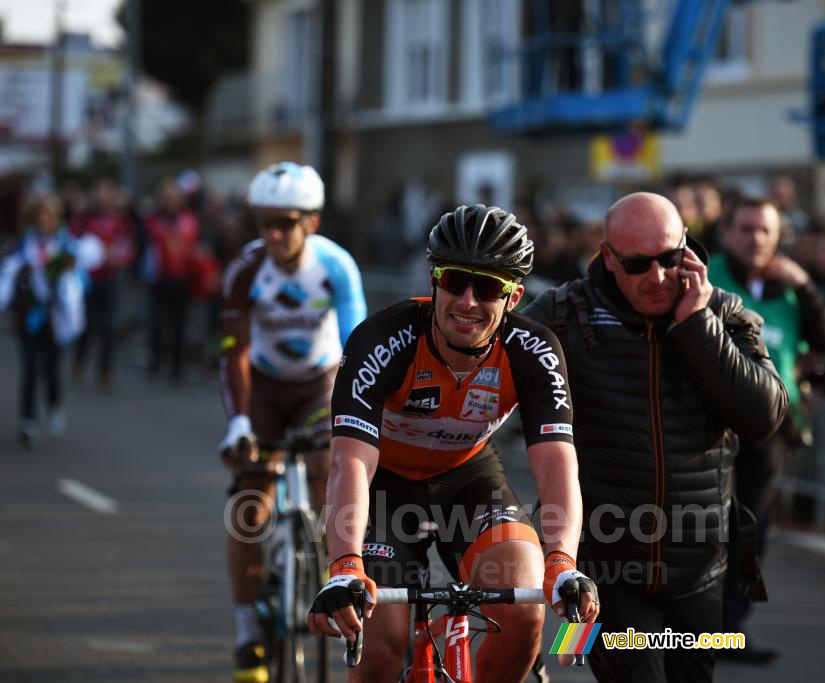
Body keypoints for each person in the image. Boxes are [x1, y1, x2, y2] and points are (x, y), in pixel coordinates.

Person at [307, 204, 599, 683]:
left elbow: (558, 466)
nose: (466, 300)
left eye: (487, 288)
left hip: (469, 479)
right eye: (453, 280)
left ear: (514, 297)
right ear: (434, 280)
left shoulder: (534, 349)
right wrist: (344, 566)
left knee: (526, 612)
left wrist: (563, 563)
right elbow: (349, 466)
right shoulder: (383, 339)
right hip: (384, 489)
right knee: (380, 647)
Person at [523, 192, 788, 683]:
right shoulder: (564, 316)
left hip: (701, 570)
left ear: (686, 247)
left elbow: (767, 415)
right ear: (608, 258)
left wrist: (698, 328)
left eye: (670, 258)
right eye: (639, 263)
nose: (659, 276)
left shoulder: (725, 314)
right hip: (609, 573)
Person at [216, 162, 367, 683]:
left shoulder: (336, 266)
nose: (274, 234)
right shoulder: (245, 269)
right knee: (249, 506)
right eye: (264, 223)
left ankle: (331, 571)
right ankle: (247, 635)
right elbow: (232, 353)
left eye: (285, 222)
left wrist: (360, 416)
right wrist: (238, 422)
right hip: (262, 386)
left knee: (333, 464)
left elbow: (357, 347)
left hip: (319, 383)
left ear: (312, 222)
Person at [709, 196, 825, 661]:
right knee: (691, 533)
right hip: (706, 428)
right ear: (726, 233)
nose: (756, 238)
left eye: (765, 230)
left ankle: (727, 634)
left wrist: (804, 286)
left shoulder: (788, 286)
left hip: (766, 431)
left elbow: (824, 340)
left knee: (749, 534)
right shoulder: (705, 276)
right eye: (745, 228)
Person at [0, 194, 93, 447]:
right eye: (40, 217)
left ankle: (54, 403)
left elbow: (82, 280)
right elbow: (5, 274)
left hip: (56, 319)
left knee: (52, 369)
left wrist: (69, 283)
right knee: (29, 369)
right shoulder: (21, 245)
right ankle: (27, 421)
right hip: (28, 317)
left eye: (49, 217)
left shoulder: (66, 245)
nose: (44, 222)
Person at [70, 178, 136, 389]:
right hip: (88, 280)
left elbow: (128, 247)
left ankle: (105, 371)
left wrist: (118, 258)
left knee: (108, 327)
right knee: (86, 323)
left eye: (107, 193)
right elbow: (72, 241)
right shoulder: (84, 218)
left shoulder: (121, 220)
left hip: (110, 279)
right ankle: (79, 362)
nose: (103, 197)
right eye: (99, 192)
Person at [143, 179, 201, 382]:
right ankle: (156, 362)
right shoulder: (152, 221)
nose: (170, 202)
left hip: (182, 280)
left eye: (173, 198)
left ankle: (177, 366)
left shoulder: (189, 220)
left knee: (179, 325)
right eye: (166, 198)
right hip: (158, 279)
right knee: (156, 323)